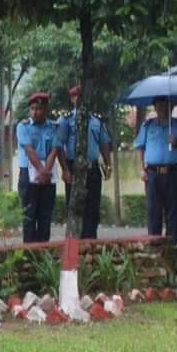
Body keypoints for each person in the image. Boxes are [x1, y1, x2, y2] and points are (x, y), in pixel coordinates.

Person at [134, 96, 177, 244]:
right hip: (152, 173)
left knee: (173, 209)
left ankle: (172, 243)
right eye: (159, 105)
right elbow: (139, 147)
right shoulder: (147, 126)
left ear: (170, 107)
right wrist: (141, 169)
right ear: (154, 107)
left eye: (165, 105)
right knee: (153, 209)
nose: (162, 108)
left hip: (172, 172)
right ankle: (155, 242)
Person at [56, 84, 112, 239]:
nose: (79, 100)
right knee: (75, 209)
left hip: (93, 168)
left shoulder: (96, 120)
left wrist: (108, 165)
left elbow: (104, 143)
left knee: (93, 210)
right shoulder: (66, 120)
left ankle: (90, 244)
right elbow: (59, 145)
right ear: (72, 99)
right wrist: (65, 169)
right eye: (76, 97)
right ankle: (74, 247)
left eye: (82, 97)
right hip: (74, 168)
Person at [15, 91, 58, 242]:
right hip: (28, 174)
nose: (35, 112)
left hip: (47, 174)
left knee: (45, 216)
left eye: (38, 109)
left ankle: (43, 251)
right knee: (29, 216)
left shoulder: (53, 127)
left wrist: (45, 172)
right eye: (32, 108)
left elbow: (54, 149)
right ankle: (29, 252)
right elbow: (29, 150)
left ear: (45, 109)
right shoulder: (23, 126)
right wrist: (42, 171)